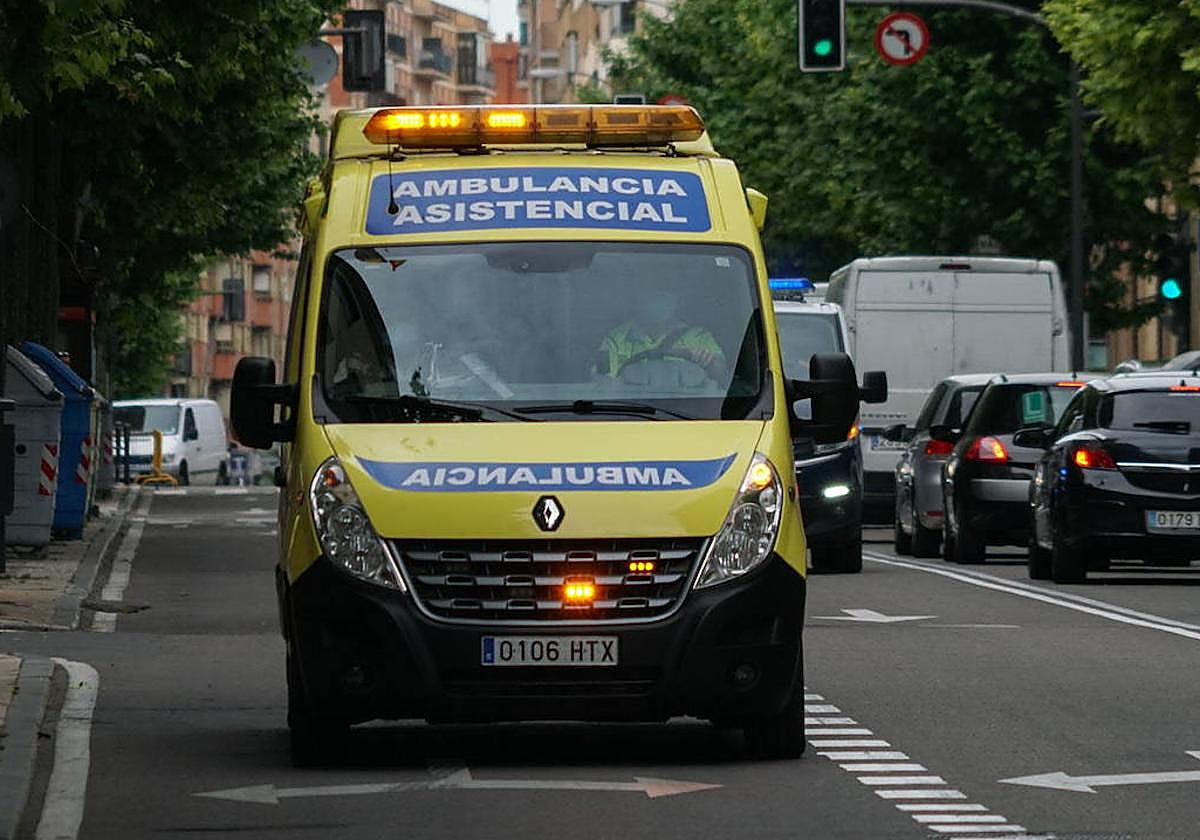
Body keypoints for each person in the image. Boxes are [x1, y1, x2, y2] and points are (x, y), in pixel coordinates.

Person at [595, 287, 728, 380]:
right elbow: (602, 382)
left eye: (665, 290)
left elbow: (723, 374)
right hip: (631, 409)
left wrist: (708, 362)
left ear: (677, 298)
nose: (659, 296)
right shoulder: (617, 338)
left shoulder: (698, 337)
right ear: (638, 297)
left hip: (686, 410)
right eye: (652, 290)